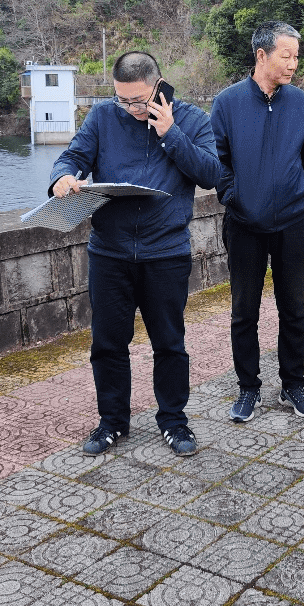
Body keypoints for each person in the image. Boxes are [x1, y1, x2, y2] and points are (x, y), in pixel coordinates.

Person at [49, 51, 220, 458]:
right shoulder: (103, 117)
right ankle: (112, 421)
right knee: (108, 343)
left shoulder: (191, 119)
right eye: (122, 100)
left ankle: (173, 421)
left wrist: (171, 133)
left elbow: (212, 174)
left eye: (139, 101)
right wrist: (62, 177)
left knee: (170, 343)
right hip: (109, 252)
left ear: (159, 86)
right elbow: (73, 156)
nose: (131, 109)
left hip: (166, 252)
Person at [210, 22, 304, 424]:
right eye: (287, 56)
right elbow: (218, 163)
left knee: (293, 308)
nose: (294, 64)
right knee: (244, 311)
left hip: (293, 222)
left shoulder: (300, 103)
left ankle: (293, 385)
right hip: (244, 223)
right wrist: (235, 196)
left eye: (297, 56)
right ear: (262, 55)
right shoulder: (227, 103)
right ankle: (248, 388)